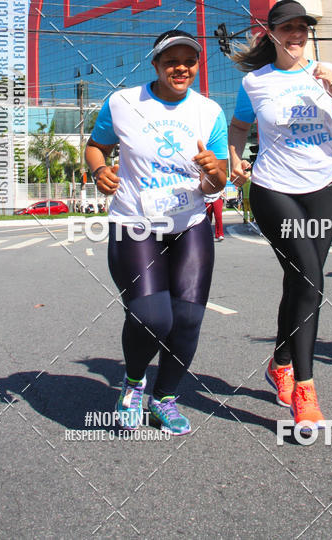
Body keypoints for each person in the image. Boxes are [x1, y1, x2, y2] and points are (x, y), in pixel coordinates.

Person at [227, 0, 332, 431]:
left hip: (324, 187)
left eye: (303, 28)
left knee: (301, 283)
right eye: (287, 28)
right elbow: (239, 126)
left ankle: (280, 362)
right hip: (273, 188)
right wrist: (234, 158)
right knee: (310, 279)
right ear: (271, 33)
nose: (297, 35)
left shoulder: (329, 73)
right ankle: (304, 392)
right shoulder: (256, 82)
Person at [85, 29, 228, 433]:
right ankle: (132, 384)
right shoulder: (124, 102)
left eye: (189, 61)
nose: (180, 67)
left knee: (187, 319)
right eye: (171, 60)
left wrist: (215, 172)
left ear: (197, 65)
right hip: (135, 223)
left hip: (189, 224)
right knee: (151, 316)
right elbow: (96, 145)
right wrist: (100, 170)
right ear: (156, 64)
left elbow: (219, 180)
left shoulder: (209, 112)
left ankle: (164, 398)